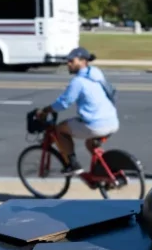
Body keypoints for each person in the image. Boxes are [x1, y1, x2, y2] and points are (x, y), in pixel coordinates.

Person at [37, 47, 119, 175]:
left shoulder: (78, 82)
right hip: (112, 121)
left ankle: (73, 164)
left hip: (95, 125)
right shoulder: (96, 72)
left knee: (60, 130)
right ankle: (106, 173)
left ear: (83, 61)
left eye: (71, 61)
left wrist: (46, 110)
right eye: (68, 61)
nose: (68, 64)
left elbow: (63, 103)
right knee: (90, 144)